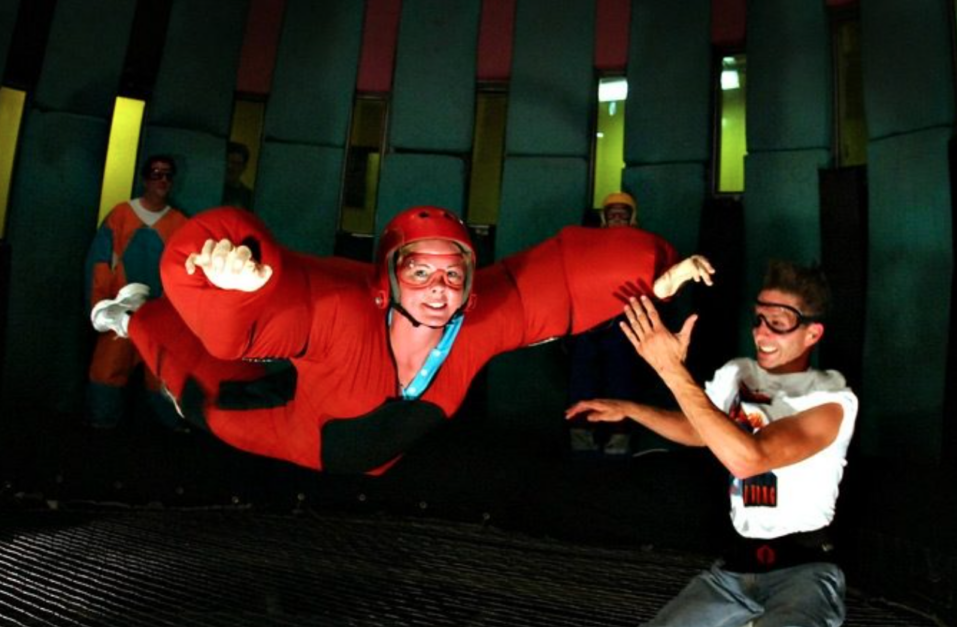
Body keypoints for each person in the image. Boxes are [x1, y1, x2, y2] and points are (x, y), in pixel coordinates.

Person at [89, 205, 714, 475]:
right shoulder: (344, 313)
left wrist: (653, 276)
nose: (438, 289)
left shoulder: (473, 322)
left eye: (452, 273)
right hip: (310, 433)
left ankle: (144, 315)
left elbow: (555, 285)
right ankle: (136, 314)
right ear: (389, 279)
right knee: (205, 403)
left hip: (377, 450)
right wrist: (237, 285)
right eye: (419, 272)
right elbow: (268, 322)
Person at [567, 260, 857, 627]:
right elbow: (700, 429)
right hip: (736, 570)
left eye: (779, 322)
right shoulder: (738, 373)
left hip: (804, 569)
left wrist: (671, 370)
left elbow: (747, 458)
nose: (762, 333)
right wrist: (631, 409)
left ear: (812, 333)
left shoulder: (831, 399)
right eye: (758, 319)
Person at [83, 154, 188, 430]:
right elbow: (100, 263)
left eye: (168, 174)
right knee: (107, 373)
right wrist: (100, 309)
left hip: (161, 317)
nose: (162, 180)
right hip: (121, 315)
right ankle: (101, 432)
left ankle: (169, 435)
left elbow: (186, 274)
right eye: (156, 173)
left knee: (164, 377)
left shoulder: (180, 224)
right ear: (144, 178)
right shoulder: (120, 215)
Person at [566, 192, 651, 457]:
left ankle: (619, 438)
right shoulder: (590, 243)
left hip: (624, 321)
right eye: (612, 213)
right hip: (589, 320)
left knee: (620, 379)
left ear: (631, 217)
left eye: (622, 213)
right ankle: (581, 436)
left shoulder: (642, 243)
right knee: (583, 379)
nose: (617, 218)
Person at [222, 141, 254, 210]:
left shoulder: (248, 197)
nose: (230, 166)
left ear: (244, 167)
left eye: (236, 164)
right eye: (228, 161)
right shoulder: (212, 188)